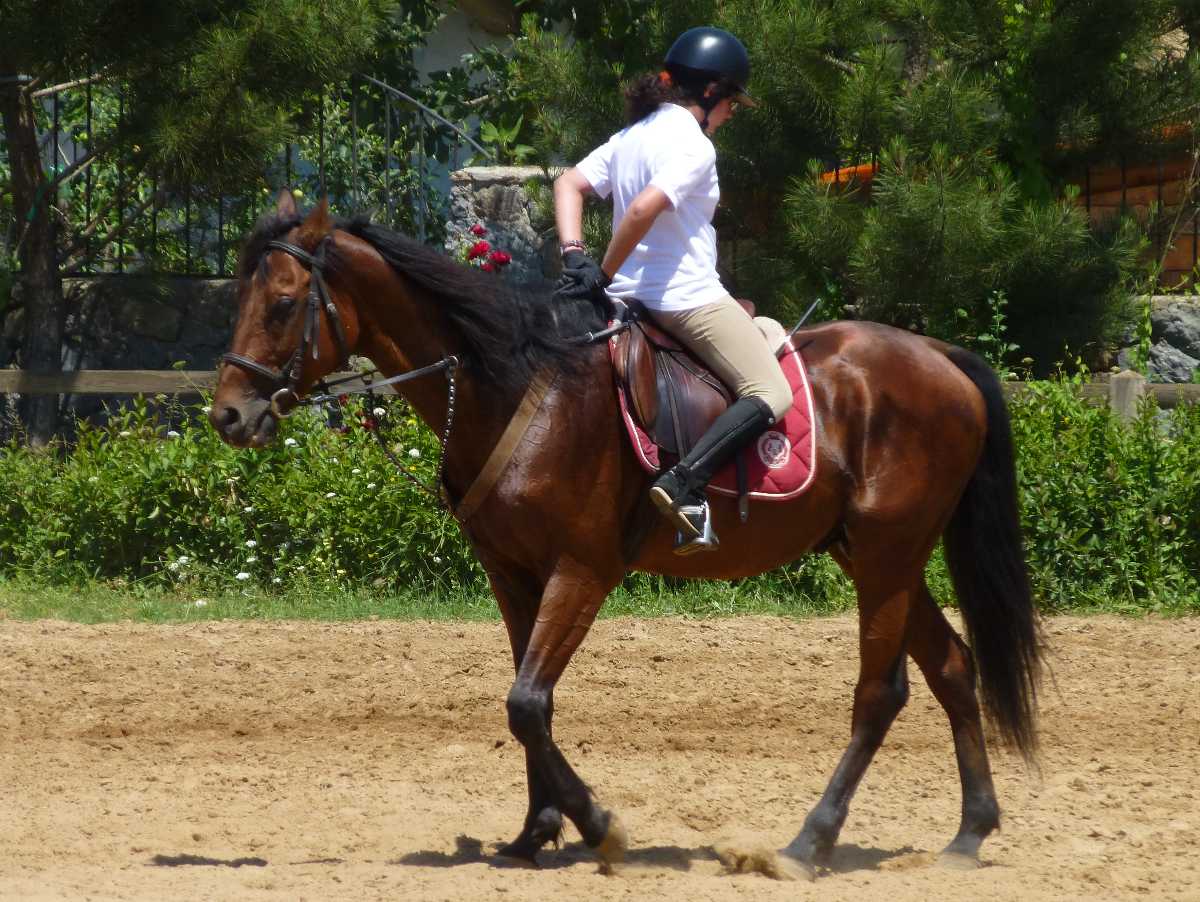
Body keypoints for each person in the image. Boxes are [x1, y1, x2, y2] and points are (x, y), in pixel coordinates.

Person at [553, 25, 793, 554]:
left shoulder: (631, 136)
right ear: (710, 93)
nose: (732, 113)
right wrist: (605, 269)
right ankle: (683, 485)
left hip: (626, 306)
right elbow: (643, 210)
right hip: (683, 300)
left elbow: (567, 182)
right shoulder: (694, 146)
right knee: (772, 391)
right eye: (731, 100)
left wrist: (576, 256)